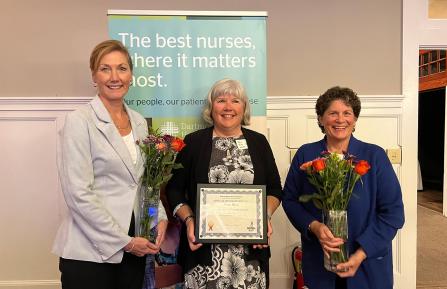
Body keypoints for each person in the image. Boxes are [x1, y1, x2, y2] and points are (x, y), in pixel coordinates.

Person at [52, 39, 168, 289]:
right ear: (94, 76)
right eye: (106, 69)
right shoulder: (79, 121)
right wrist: (123, 241)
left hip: (135, 247)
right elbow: (78, 194)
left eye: (122, 68)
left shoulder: (138, 121)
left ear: (131, 76)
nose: (114, 76)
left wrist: (158, 217)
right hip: (90, 253)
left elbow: (146, 183)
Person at [282, 86, 405, 289]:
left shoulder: (374, 156)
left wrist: (361, 253)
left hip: (367, 265)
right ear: (321, 119)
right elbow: (290, 200)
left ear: (355, 119)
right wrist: (315, 226)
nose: (341, 119)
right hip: (321, 265)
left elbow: (393, 213)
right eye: (333, 113)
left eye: (347, 113)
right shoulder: (306, 154)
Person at [165, 78, 282, 289]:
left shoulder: (259, 142)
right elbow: (174, 189)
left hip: (250, 257)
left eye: (235, 101)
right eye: (221, 100)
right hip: (203, 255)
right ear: (211, 108)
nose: (228, 107)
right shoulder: (193, 142)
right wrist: (190, 220)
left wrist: (264, 217)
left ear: (244, 107)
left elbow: (274, 189)